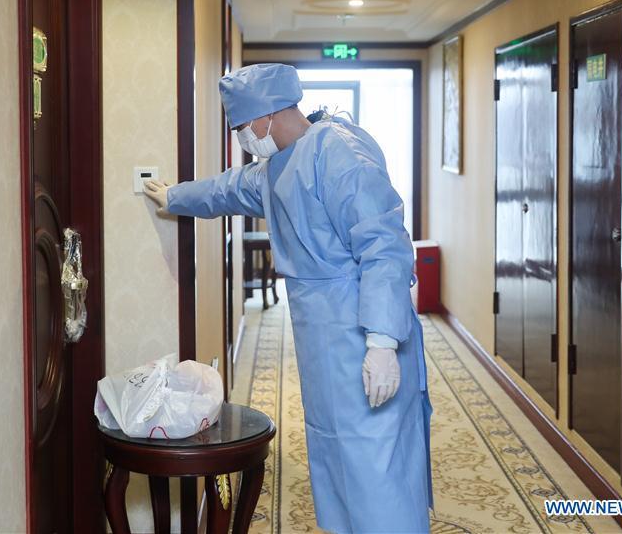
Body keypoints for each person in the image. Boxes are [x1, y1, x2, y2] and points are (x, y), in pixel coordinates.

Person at [143, 63, 432, 533]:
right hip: (323, 341)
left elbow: (384, 246)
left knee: (376, 458)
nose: (243, 138)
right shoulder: (277, 167)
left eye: (242, 127)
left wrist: (382, 341)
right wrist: (174, 196)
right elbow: (226, 190)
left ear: (269, 114)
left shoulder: (339, 153)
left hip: (364, 330)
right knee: (333, 450)